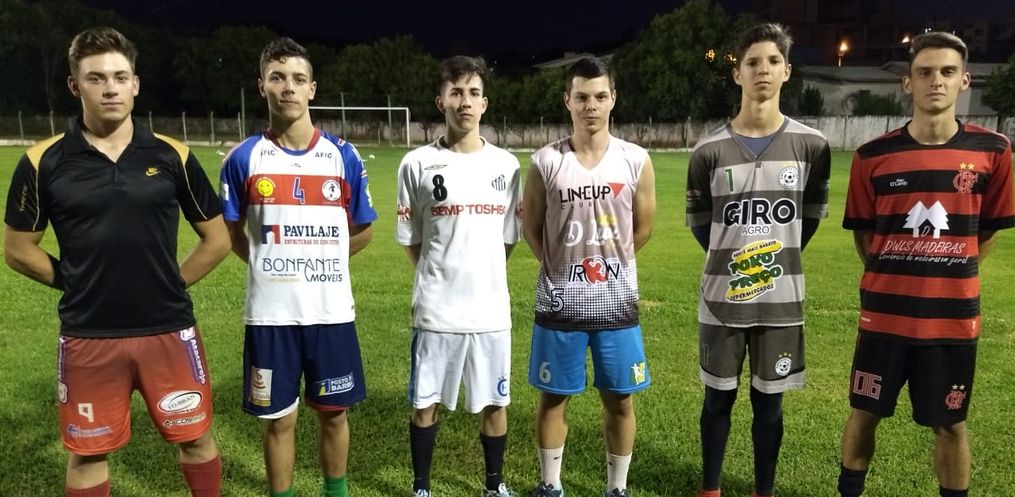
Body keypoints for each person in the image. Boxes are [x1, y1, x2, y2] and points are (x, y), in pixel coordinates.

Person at [3, 26, 229, 497]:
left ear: (135, 84)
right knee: (88, 452)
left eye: (120, 77)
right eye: (96, 78)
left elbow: (217, 238)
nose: (110, 88)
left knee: (195, 437)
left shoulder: (172, 155)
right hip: (89, 334)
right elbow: (19, 248)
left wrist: (170, 283)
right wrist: (75, 281)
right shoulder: (43, 161)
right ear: (75, 85)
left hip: (168, 328)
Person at [837, 31, 1014, 497]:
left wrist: (951, 270)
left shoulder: (994, 152)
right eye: (925, 72)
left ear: (964, 81)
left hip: (951, 320)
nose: (936, 80)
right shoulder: (872, 156)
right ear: (907, 83)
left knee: (951, 424)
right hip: (885, 317)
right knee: (864, 412)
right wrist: (896, 269)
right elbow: (865, 236)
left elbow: (986, 231)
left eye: (948, 72)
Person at [219, 37, 377, 497]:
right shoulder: (243, 158)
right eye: (278, 77)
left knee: (334, 414)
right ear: (262, 86)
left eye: (298, 78)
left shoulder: (343, 156)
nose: (288, 87)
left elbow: (363, 229)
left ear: (312, 89)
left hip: (331, 314)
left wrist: (321, 260)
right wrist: (269, 263)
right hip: (271, 317)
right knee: (278, 420)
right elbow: (230, 232)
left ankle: (336, 493)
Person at [684, 23, 831, 497]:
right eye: (752, 62)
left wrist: (774, 261)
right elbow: (702, 226)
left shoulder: (813, 145)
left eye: (772, 61)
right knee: (717, 401)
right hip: (722, 303)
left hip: (780, 304)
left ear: (787, 71)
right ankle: (711, 489)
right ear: (737, 73)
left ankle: (761, 491)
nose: (762, 70)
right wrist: (735, 261)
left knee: (770, 407)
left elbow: (807, 221)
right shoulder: (708, 149)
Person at [523, 56, 656, 497]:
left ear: (613, 99)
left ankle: (617, 488)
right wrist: (561, 267)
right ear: (567, 100)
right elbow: (532, 227)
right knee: (553, 397)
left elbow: (642, 229)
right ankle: (550, 485)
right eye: (581, 97)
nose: (591, 106)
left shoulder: (636, 160)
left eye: (600, 96)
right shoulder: (546, 161)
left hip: (617, 302)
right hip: (559, 302)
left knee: (620, 398)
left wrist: (608, 264)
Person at [395, 55, 522, 497]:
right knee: (424, 403)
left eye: (473, 93)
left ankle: (494, 485)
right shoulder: (416, 164)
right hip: (436, 310)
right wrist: (439, 273)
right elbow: (411, 237)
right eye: (456, 92)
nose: (464, 101)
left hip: (490, 310)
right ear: (441, 101)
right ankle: (422, 488)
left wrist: (482, 270)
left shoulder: (507, 166)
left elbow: (508, 238)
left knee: (496, 401)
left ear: (484, 103)